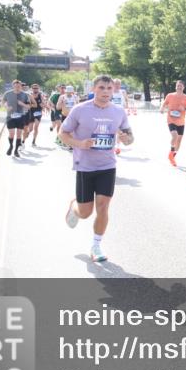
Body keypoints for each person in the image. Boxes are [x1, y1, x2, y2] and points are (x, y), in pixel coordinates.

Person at [60, 75, 134, 263]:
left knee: (103, 206)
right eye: (101, 88)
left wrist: (127, 139)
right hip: (85, 166)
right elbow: (63, 133)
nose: (105, 92)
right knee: (85, 213)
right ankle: (74, 207)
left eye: (109, 89)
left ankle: (96, 245)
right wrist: (79, 143)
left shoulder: (119, 111)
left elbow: (129, 136)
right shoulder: (80, 110)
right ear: (94, 89)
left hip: (107, 165)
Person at [159, 80, 186, 166]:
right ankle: (171, 152)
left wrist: (184, 108)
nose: (179, 87)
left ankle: (172, 157)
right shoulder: (170, 95)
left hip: (181, 122)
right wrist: (161, 108)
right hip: (171, 120)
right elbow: (164, 103)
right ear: (175, 87)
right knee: (175, 136)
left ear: (183, 87)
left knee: (179, 142)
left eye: (181, 86)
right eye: (178, 85)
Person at [1, 79, 30, 157]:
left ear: (21, 86)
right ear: (13, 86)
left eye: (18, 86)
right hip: (10, 116)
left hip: (21, 117)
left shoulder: (24, 95)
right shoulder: (7, 93)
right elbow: (2, 102)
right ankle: (11, 146)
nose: (17, 87)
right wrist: (6, 106)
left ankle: (16, 150)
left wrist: (22, 104)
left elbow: (29, 106)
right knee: (11, 134)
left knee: (19, 134)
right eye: (15, 86)